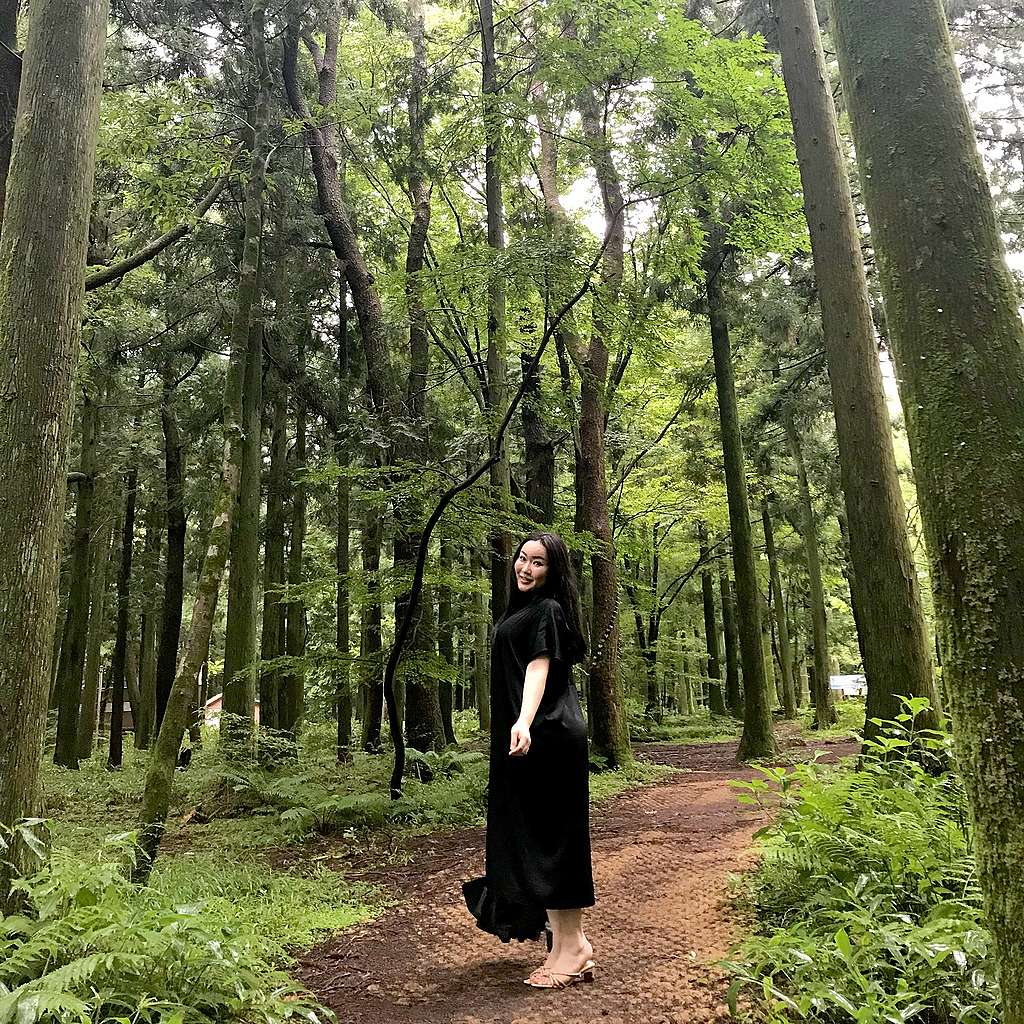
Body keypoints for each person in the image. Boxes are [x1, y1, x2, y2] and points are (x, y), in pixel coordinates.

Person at [463, 531, 596, 990]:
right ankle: (565, 946)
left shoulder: (549, 610)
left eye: (538, 563)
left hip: (547, 733)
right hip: (530, 737)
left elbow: (539, 668)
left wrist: (522, 720)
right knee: (537, 838)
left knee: (555, 840)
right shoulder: (520, 611)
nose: (526, 568)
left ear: (552, 571)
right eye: (522, 558)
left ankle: (573, 946)